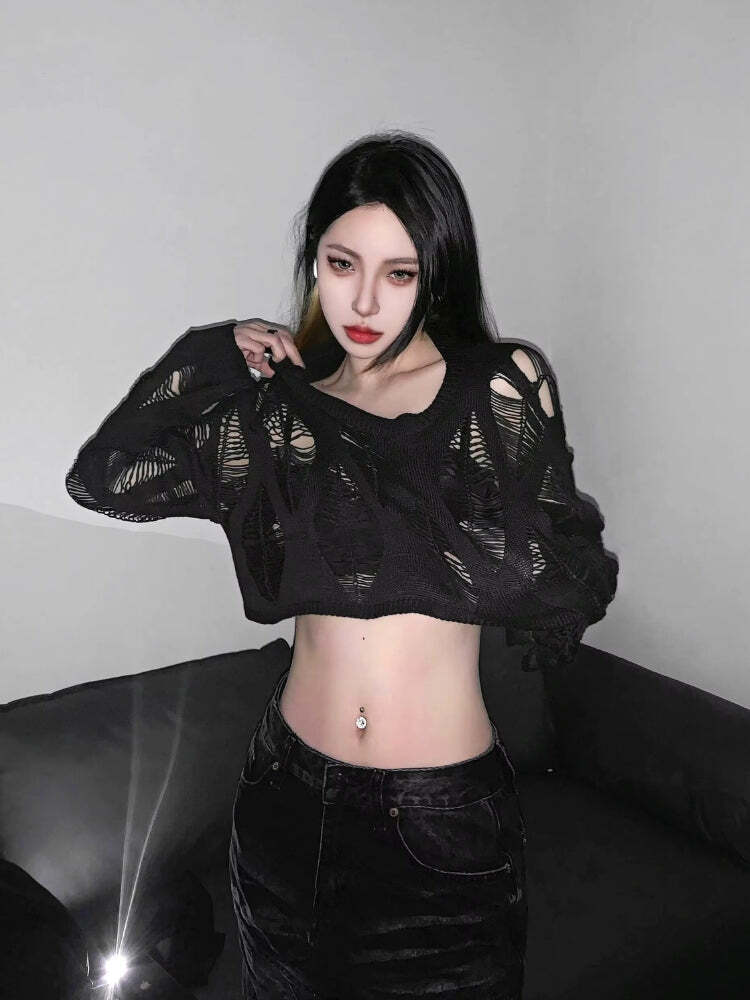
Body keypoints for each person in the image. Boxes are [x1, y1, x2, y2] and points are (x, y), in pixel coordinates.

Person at [65, 130, 619, 999]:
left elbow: (566, 576)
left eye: (399, 273)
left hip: (440, 828)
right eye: (341, 263)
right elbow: (107, 480)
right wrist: (212, 355)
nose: (363, 300)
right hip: (284, 799)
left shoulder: (496, 388)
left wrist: (427, 521)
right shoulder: (281, 418)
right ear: (313, 261)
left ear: (437, 275)